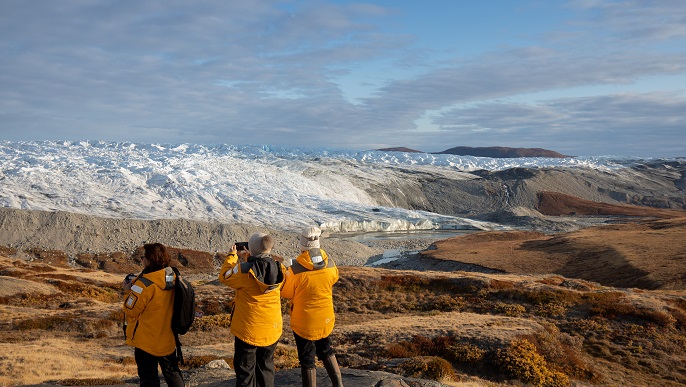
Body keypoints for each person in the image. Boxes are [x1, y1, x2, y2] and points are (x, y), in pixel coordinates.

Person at [219, 233, 286, 387]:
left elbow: (224, 276)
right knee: (266, 368)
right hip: (271, 328)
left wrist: (232, 256)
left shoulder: (243, 270)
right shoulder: (280, 268)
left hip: (248, 330)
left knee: (245, 372)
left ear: (251, 249)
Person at [282, 226, 343, 387]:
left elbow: (286, 293)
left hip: (304, 322)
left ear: (302, 245)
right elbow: (334, 279)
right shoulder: (331, 265)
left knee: (307, 359)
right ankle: (338, 384)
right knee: (326, 349)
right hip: (325, 318)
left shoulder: (294, 271)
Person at [123, 243, 184, 387]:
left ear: (149, 260)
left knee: (149, 379)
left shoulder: (143, 285)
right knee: (173, 373)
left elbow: (130, 311)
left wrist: (127, 291)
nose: (141, 260)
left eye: (143, 257)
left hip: (146, 342)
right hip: (168, 338)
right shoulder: (173, 277)